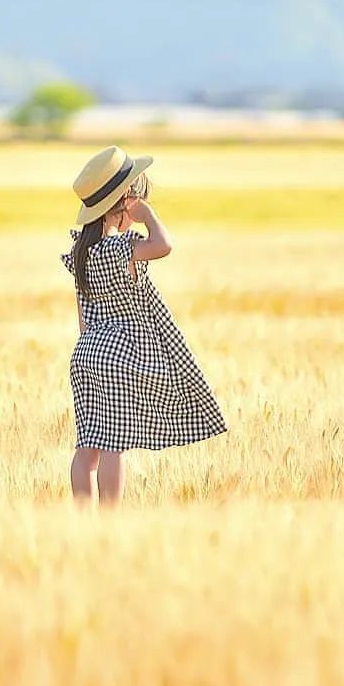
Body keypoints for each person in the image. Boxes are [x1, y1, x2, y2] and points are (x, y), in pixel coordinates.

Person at [60, 145, 228, 508]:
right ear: (126, 201)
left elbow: (83, 317)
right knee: (113, 446)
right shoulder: (122, 248)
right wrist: (148, 215)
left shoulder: (81, 254)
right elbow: (164, 245)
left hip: (86, 353)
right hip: (121, 355)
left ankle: (80, 515)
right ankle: (109, 518)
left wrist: (95, 345)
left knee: (87, 449)